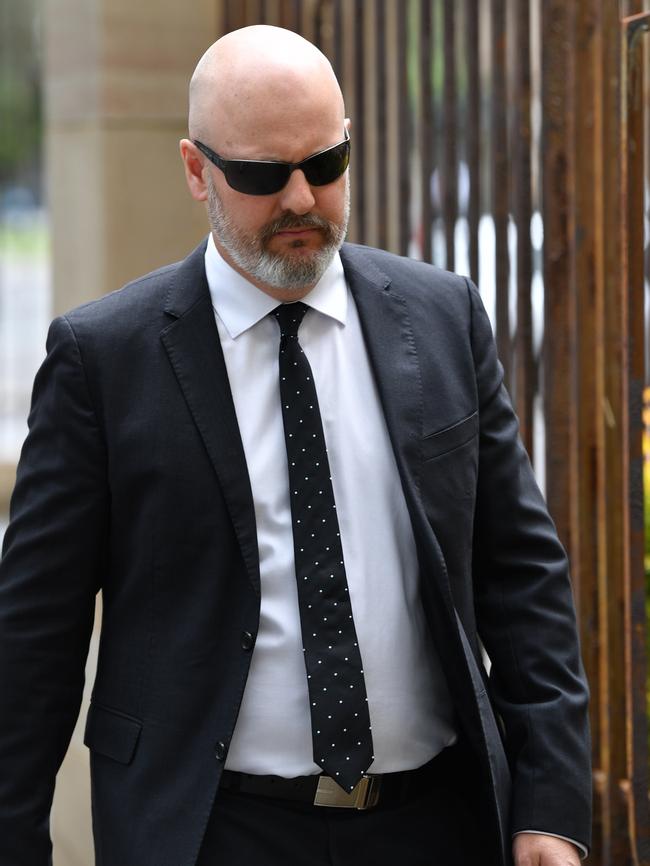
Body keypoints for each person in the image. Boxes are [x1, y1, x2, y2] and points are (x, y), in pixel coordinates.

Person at [0, 24, 590, 866]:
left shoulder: (443, 317)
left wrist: (553, 806)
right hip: (211, 833)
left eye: (324, 164)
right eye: (261, 175)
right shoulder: (104, 360)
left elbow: (523, 575)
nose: (302, 200)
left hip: (434, 824)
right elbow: (35, 642)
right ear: (197, 169)